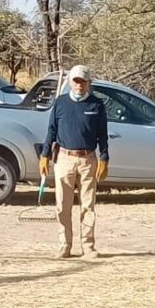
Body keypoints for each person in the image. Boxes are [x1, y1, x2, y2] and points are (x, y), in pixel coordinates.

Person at [40, 65, 109, 259]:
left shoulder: (97, 105)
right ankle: (65, 245)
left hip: (88, 159)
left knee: (88, 205)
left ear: (89, 83)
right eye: (76, 81)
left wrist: (104, 157)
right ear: (70, 82)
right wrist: (44, 155)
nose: (80, 85)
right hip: (64, 158)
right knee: (63, 205)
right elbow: (51, 130)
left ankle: (88, 246)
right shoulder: (61, 103)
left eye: (83, 81)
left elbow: (103, 135)